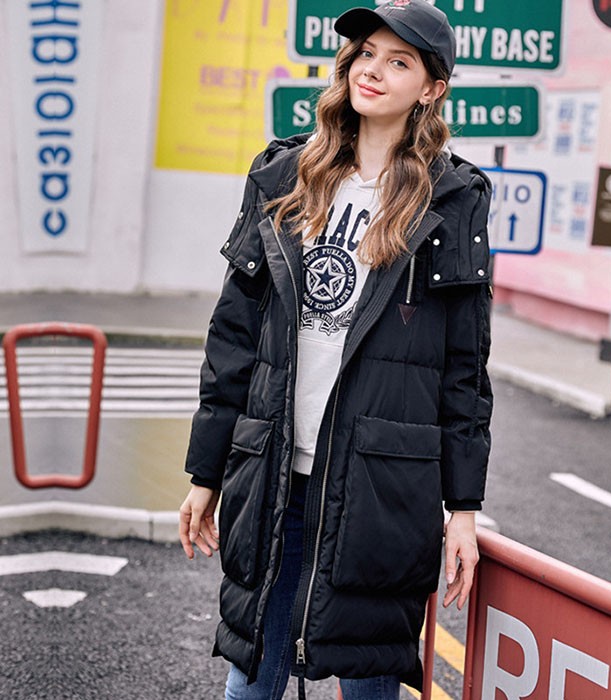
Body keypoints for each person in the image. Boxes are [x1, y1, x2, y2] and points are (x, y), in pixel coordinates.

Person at [178, 1, 493, 698]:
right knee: (251, 675)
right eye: (366, 53)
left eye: (399, 61)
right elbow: (233, 338)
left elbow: (464, 369)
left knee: (369, 677)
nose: (372, 71)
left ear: (432, 89)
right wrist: (206, 472)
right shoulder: (282, 175)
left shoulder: (452, 200)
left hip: (382, 483)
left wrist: (464, 509)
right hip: (273, 469)